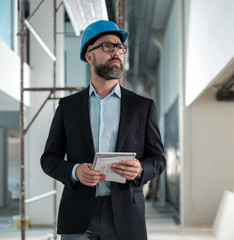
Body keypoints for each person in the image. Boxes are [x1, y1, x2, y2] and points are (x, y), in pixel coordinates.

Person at [41, 20, 165, 240]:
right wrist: (74, 171)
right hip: (77, 213)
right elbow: (49, 159)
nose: (116, 52)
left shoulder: (142, 107)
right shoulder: (68, 107)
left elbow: (158, 160)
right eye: (107, 47)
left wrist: (139, 170)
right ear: (89, 56)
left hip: (125, 215)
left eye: (120, 47)